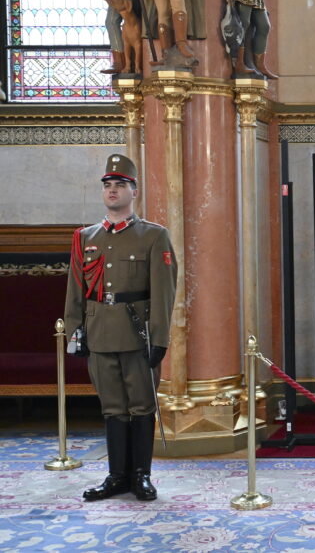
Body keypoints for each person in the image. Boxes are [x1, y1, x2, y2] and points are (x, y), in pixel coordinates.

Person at [64, 154, 177, 502]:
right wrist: (75, 332)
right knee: (112, 406)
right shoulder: (86, 237)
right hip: (99, 333)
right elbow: (76, 289)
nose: (113, 191)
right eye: (108, 186)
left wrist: (160, 337)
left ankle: (141, 475)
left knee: (141, 405)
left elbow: (164, 290)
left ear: (134, 191)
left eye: (120, 185)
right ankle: (117, 476)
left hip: (137, 334)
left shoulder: (154, 236)